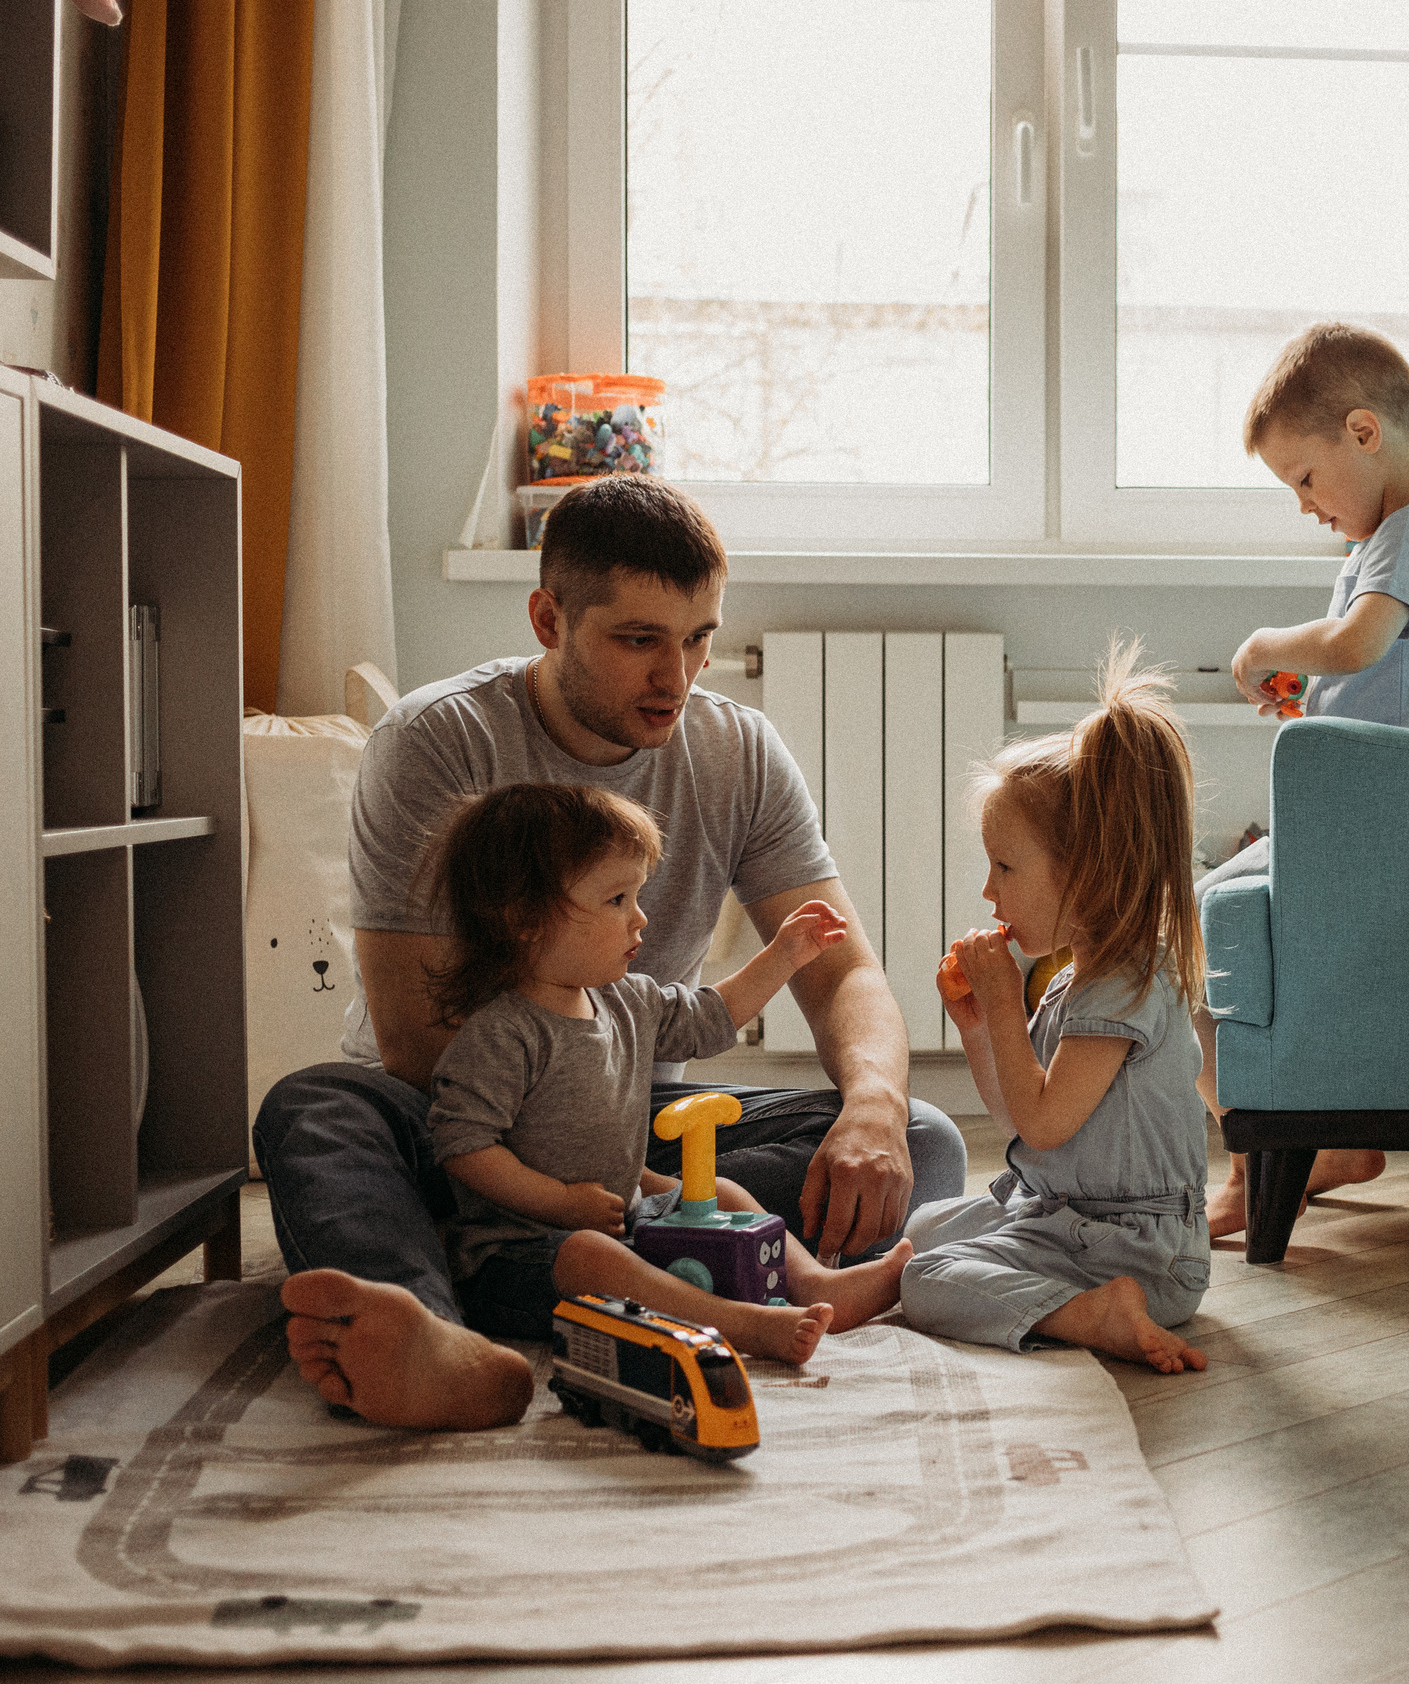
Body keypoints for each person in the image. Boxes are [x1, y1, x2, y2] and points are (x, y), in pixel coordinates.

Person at [260, 475, 965, 1430]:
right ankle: (430, 1330)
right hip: (454, 1118)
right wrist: (560, 1182)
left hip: (628, 1120)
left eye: (700, 637)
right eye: (640, 640)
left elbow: (845, 972)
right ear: (549, 619)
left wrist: (873, 1108)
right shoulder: (439, 741)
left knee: (921, 1137)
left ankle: (492, 1274)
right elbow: (414, 1037)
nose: (678, 676)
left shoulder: (736, 750)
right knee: (316, 1110)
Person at [424, 783, 914, 1363]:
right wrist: (559, 1202)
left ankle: (814, 1283)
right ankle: (736, 1324)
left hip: (622, 1214)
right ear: (525, 919)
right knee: (590, 1254)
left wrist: (784, 953)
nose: (640, 918)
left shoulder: (626, 1000)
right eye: (616, 901)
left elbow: (710, 1016)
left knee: (723, 1192)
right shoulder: (502, 1032)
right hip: (520, 1256)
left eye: (637, 895)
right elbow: (462, 1145)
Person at [1196, 322, 1409, 1236]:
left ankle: (1252, 1163)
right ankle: (1329, 1142)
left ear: (1366, 432)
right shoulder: (1400, 544)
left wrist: (1263, 646)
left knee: (1177, 941)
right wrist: (1312, 702)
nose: (1307, 506)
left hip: (1370, 834)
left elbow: (1360, 641)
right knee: (1195, 939)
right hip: (1369, 820)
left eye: (1305, 479)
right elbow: (1377, 674)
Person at [903, 646, 1211, 1375]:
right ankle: (1060, 1296)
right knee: (923, 1230)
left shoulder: (1126, 983)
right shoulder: (1081, 979)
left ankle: (1090, 1314)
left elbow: (1041, 1124)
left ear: (1088, 869)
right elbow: (1021, 1120)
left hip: (1142, 1256)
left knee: (922, 1279)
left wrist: (1008, 1002)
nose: (989, 891)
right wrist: (981, 1025)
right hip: (1073, 1219)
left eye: (1006, 867)